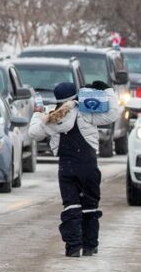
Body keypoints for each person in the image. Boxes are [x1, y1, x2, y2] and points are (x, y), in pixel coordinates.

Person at [28, 81, 118, 258]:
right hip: (88, 165)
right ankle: (90, 246)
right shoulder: (85, 112)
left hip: (66, 167)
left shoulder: (52, 118)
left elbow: (33, 133)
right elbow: (112, 114)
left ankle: (73, 247)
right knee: (90, 205)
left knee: (71, 206)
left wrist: (38, 113)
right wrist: (107, 90)